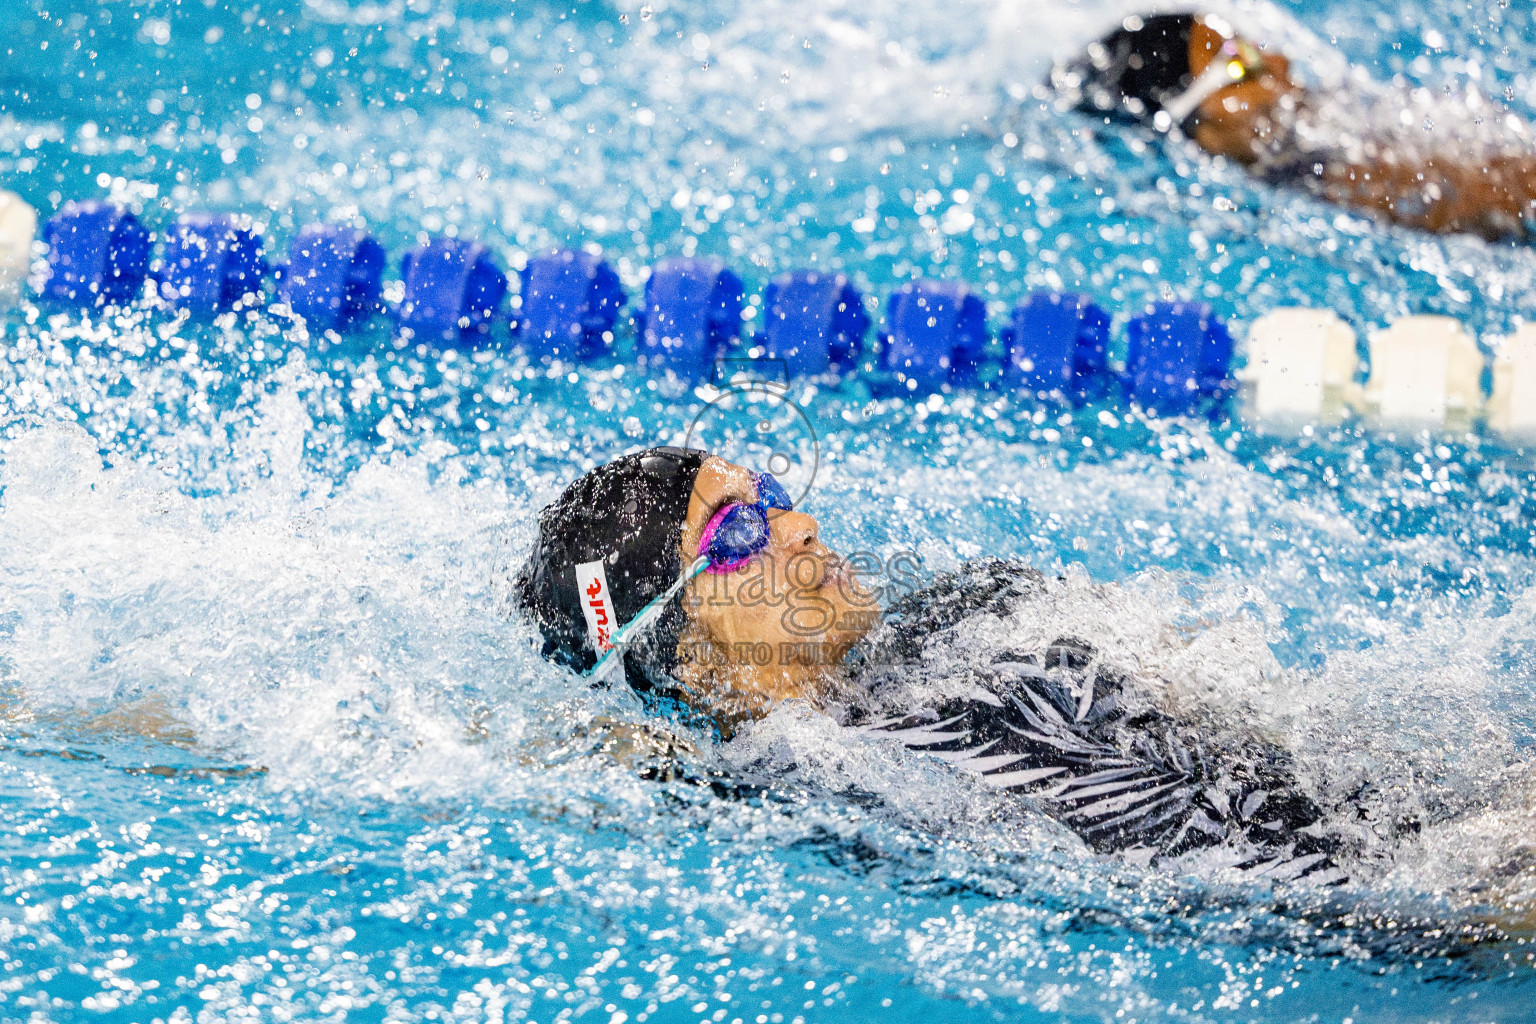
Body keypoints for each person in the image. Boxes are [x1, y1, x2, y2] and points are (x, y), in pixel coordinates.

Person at [515, 447, 1347, 883]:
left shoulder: (972, 611)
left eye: (768, 494)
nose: (797, 523)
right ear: (689, 657)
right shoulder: (824, 784)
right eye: (737, 534)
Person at [1049, 12, 1536, 241]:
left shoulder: (1329, 129)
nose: (1280, 62)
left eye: (1254, 48)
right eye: (1241, 66)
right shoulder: (1331, 179)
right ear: (1195, 124)